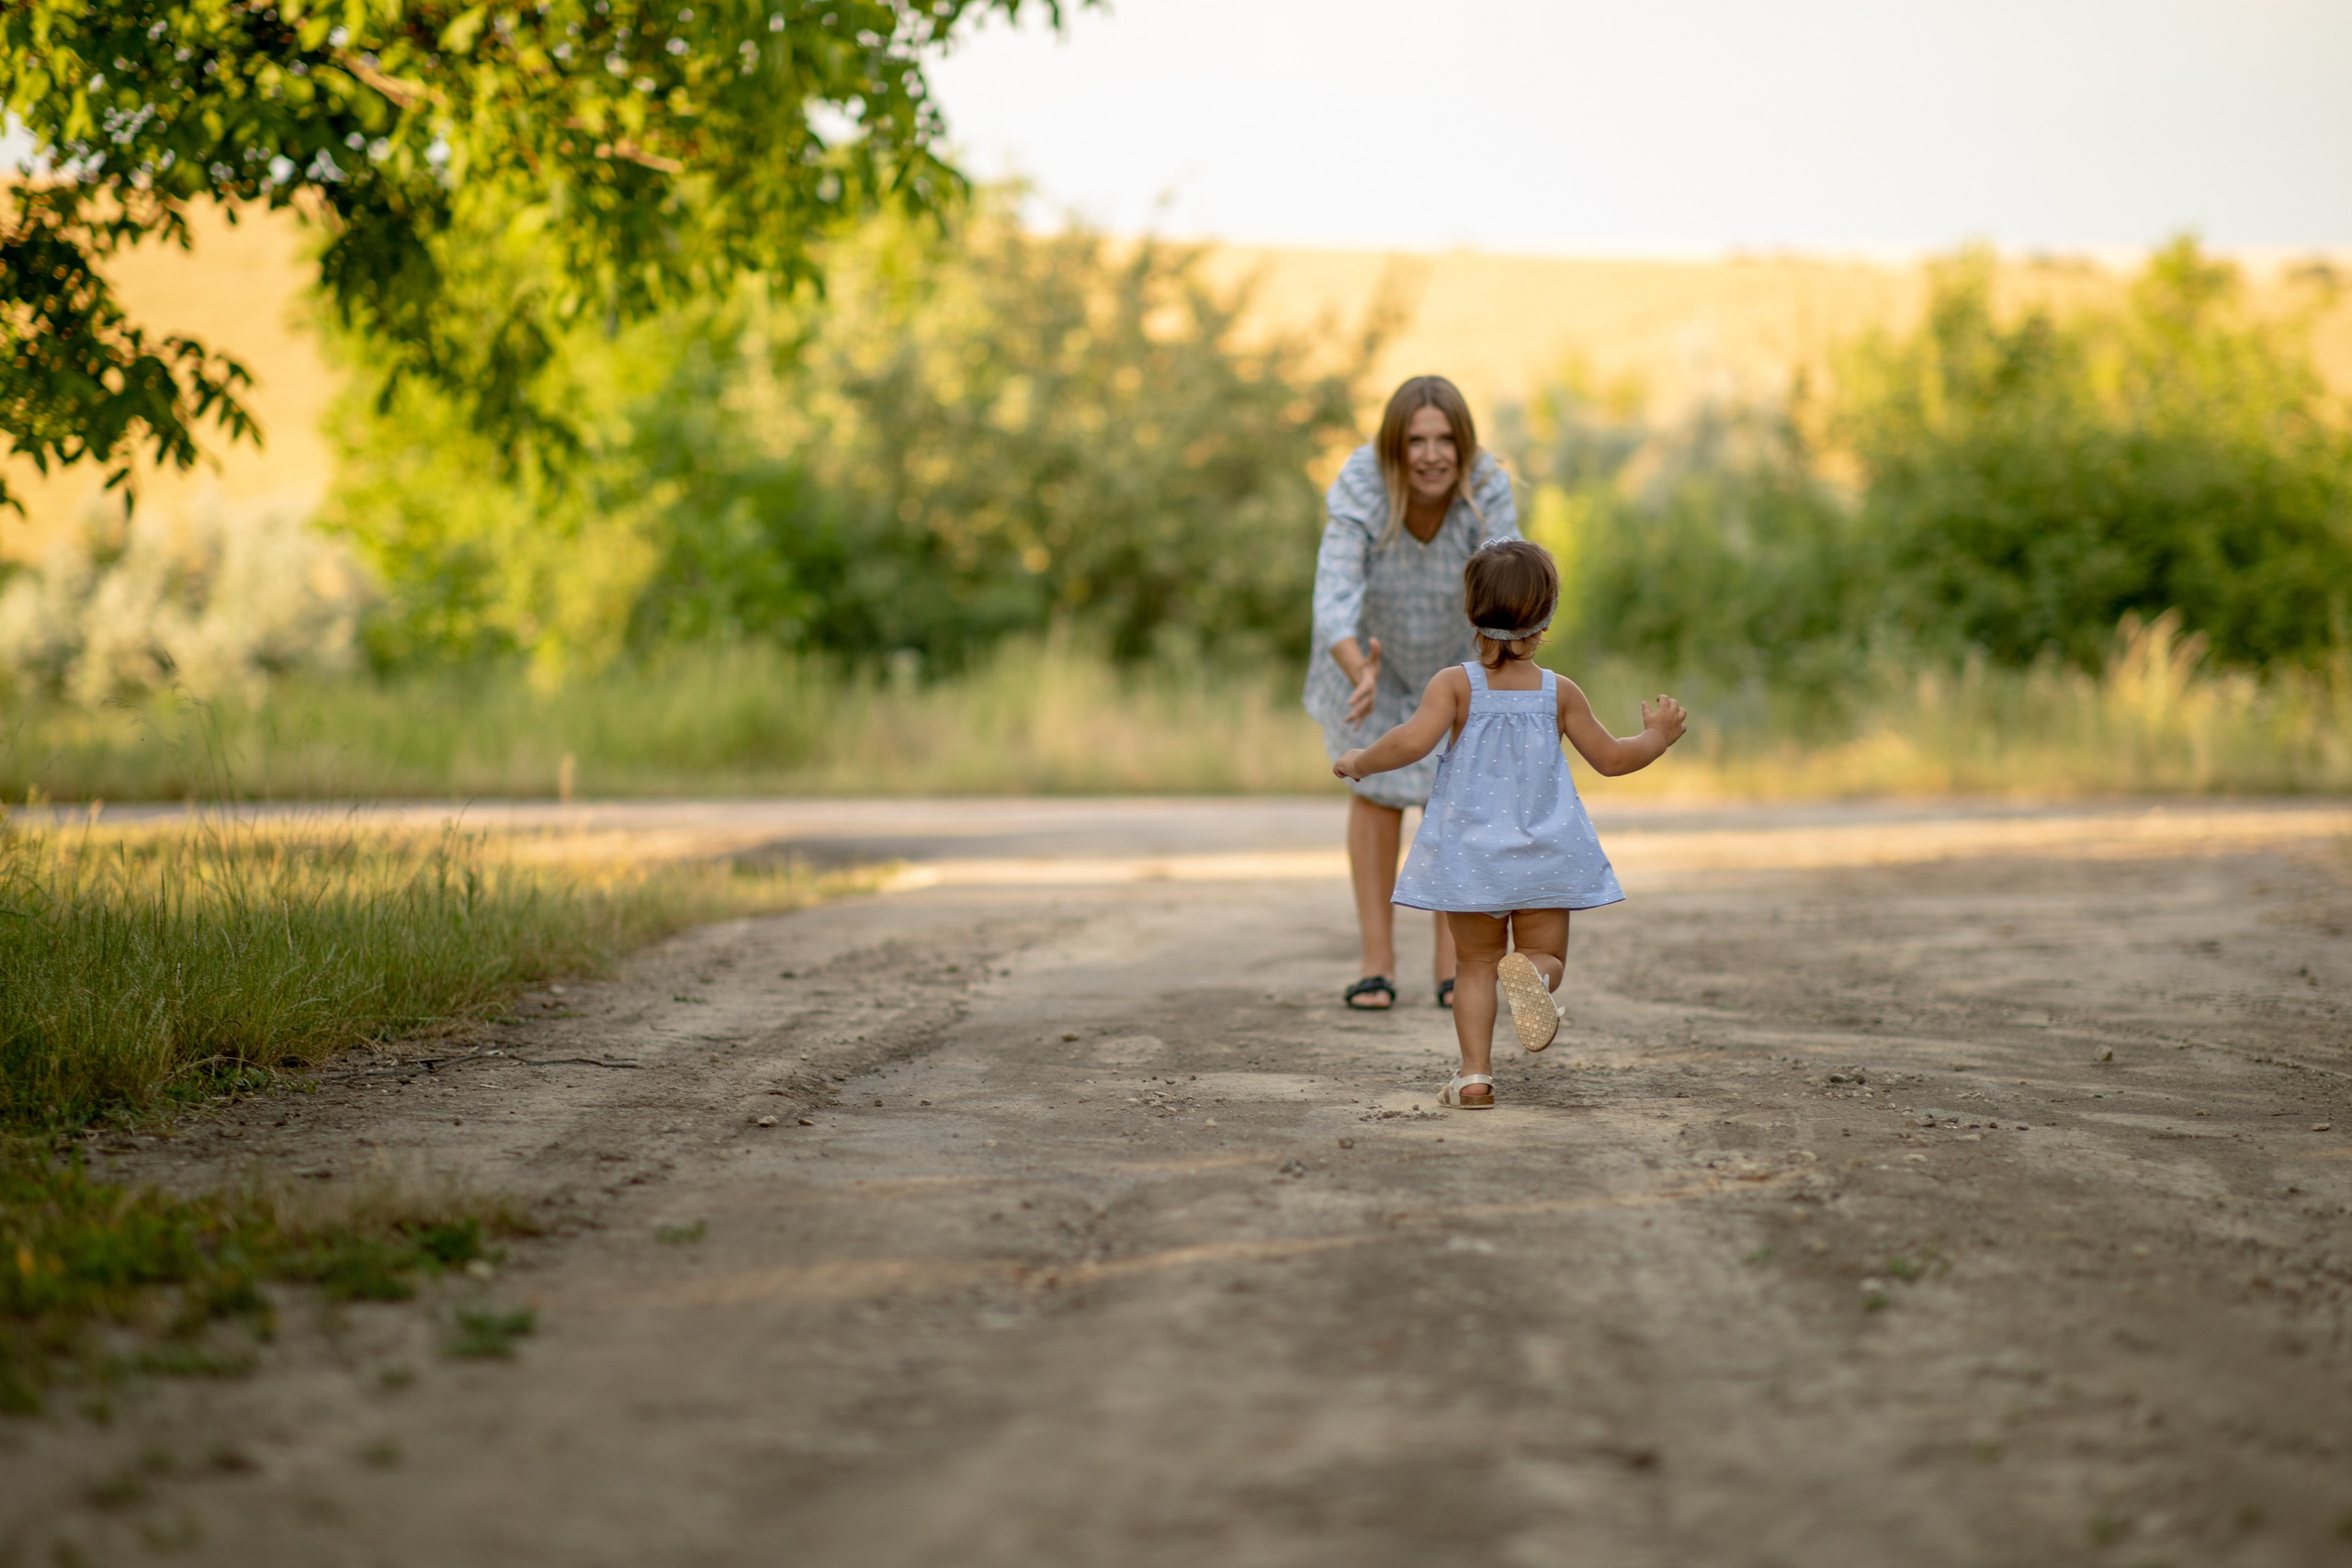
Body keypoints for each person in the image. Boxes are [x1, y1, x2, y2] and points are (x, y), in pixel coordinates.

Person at [1333, 540, 1687, 1108]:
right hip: (1544, 855)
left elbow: (1409, 742)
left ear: (1471, 614)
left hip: (1471, 859)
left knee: (1473, 965)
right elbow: (1613, 759)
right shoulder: (1559, 692)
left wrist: (1361, 760)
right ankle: (1535, 977)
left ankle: (1474, 1077)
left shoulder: (1454, 685)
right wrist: (1658, 737)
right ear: (1545, 621)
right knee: (1546, 956)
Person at [1306, 376, 1518, 1012]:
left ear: (1464, 444)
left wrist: (1498, 670)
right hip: (1366, 659)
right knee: (1374, 790)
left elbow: (1509, 587)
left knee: (1453, 797)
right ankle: (1377, 964)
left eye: (1445, 440)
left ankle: (1453, 966)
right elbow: (1333, 595)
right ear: (1393, 447)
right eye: (1416, 441)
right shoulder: (1362, 483)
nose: (1431, 455)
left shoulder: (1488, 484)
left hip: (1459, 656)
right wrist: (1358, 669)